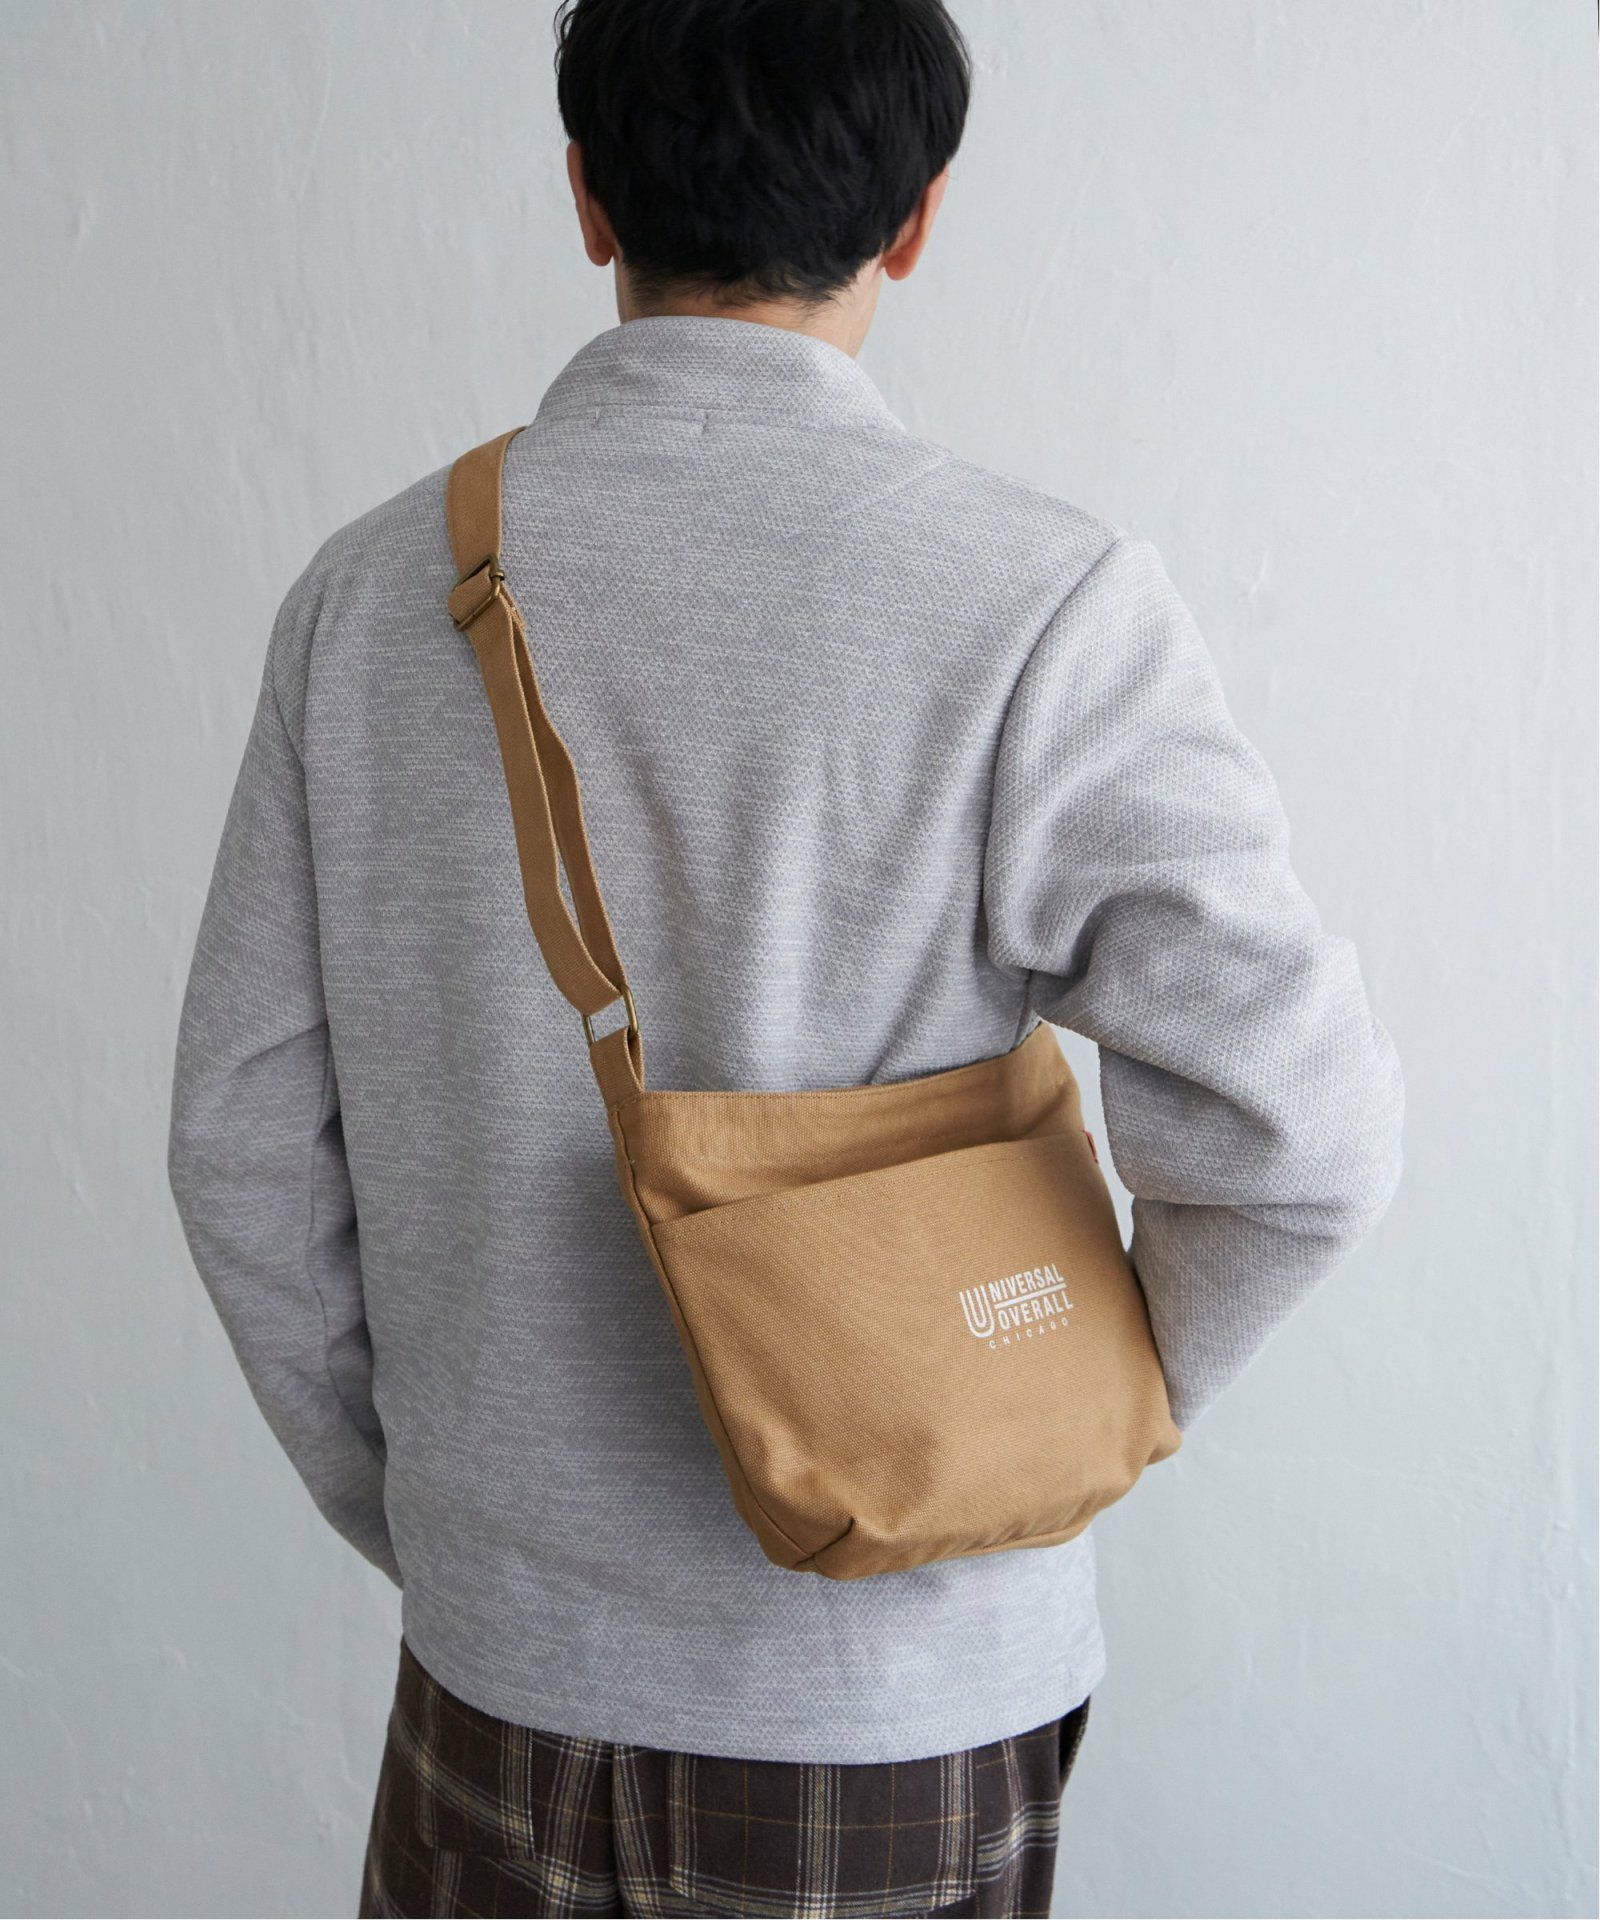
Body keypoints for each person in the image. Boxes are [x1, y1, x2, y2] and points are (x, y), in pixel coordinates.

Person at [167, 1, 1404, 1913]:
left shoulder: (364, 602)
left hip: (492, 1689)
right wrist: (1042, 1418)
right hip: (896, 1707)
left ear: (588, 195)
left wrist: (448, 1519)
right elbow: (1299, 1137)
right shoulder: (1041, 606)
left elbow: (240, 1146)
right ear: (915, 218)